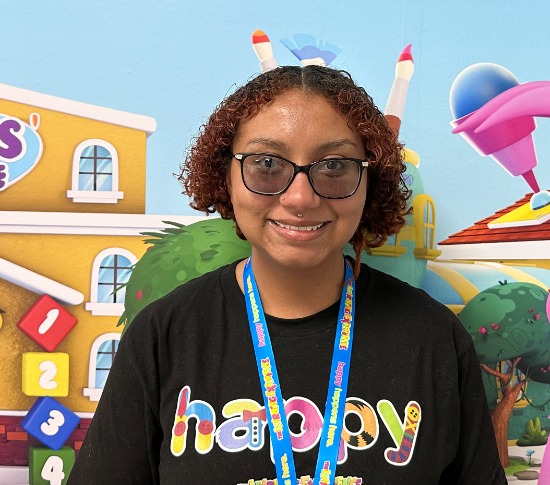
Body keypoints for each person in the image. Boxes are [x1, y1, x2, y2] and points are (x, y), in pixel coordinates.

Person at [69, 65, 507, 484]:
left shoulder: (434, 338)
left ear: (370, 182)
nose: (300, 198)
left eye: (334, 166)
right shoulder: (164, 336)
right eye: (266, 164)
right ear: (227, 177)